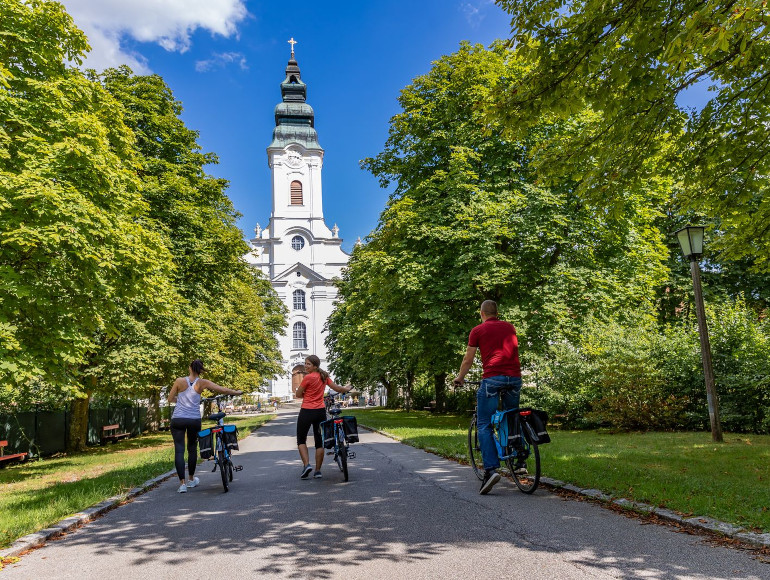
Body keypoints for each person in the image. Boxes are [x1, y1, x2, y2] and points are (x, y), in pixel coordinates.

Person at [454, 300, 523, 495]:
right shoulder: (509, 327)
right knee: (511, 417)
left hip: (492, 380)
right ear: (497, 312)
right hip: (515, 379)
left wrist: (460, 378)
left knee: (484, 424)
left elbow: (468, 359)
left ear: (482, 313)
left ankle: (491, 470)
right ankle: (520, 460)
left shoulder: (477, 330)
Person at [167, 359, 242, 493]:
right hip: (193, 420)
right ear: (200, 370)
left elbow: (170, 398)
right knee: (191, 449)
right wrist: (236, 392)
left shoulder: (179, 381)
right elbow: (222, 389)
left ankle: (182, 484)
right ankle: (191, 480)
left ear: (190, 368)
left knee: (179, 450)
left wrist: (180, 400)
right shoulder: (202, 383)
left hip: (178, 419)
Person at [295, 354, 352, 479]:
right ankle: (317, 471)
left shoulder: (307, 378)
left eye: (308, 364)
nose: (305, 365)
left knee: (301, 439)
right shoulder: (324, 377)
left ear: (315, 366)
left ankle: (306, 465)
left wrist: (305, 393)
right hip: (320, 411)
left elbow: (298, 394)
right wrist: (346, 388)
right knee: (319, 442)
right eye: (305, 363)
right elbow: (337, 388)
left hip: (306, 411)